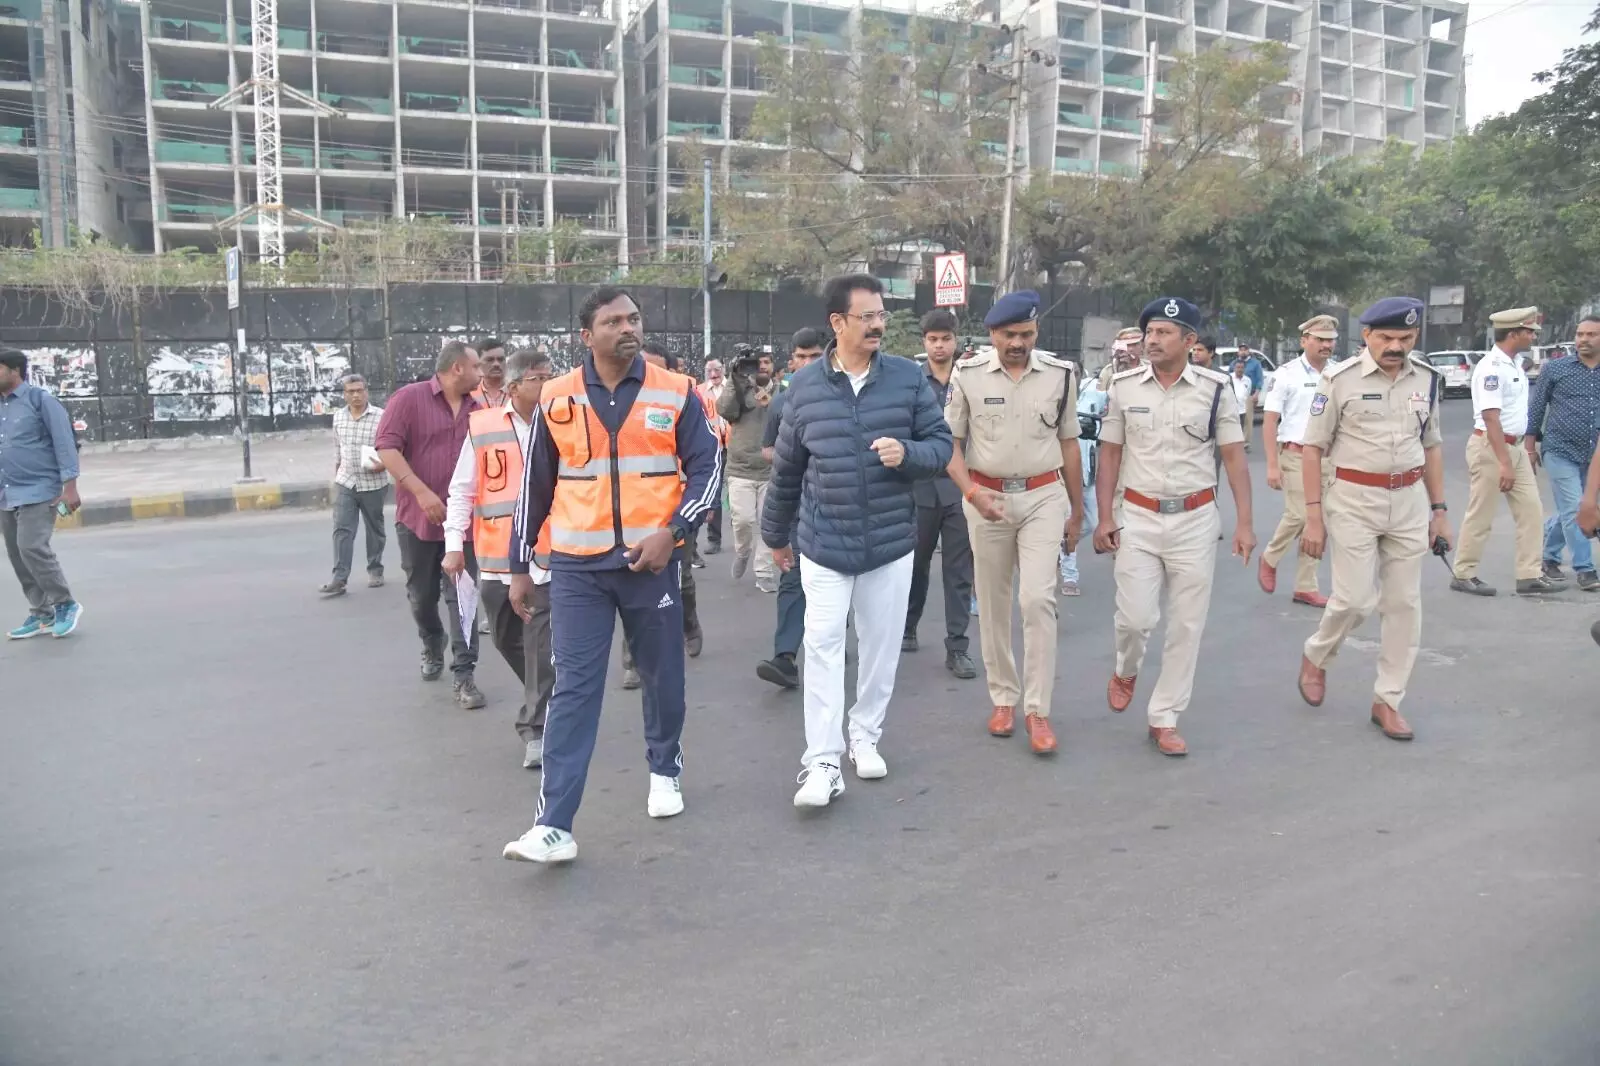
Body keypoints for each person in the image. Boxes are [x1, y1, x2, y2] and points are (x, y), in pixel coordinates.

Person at [501, 287, 721, 864]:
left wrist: (673, 532)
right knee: (573, 686)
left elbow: (707, 467)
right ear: (587, 335)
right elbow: (535, 487)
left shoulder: (677, 392)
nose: (629, 327)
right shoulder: (557, 396)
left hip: (650, 563)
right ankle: (554, 825)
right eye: (613, 321)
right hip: (577, 568)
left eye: (634, 318)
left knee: (660, 672)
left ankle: (663, 768)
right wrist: (519, 564)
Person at [763, 273, 953, 808]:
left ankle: (864, 735)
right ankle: (822, 762)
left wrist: (908, 454)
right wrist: (776, 535)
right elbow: (786, 472)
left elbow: (940, 445)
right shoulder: (801, 389)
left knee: (879, 646)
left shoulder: (906, 379)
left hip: (891, 541)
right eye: (866, 316)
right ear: (837, 323)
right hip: (823, 542)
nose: (877, 325)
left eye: (881, 315)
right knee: (823, 645)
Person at [1095, 298, 1253, 757]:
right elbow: (1109, 454)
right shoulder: (1124, 388)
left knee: (1187, 625)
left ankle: (1164, 716)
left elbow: (1233, 457)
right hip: (1138, 517)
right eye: (1150, 332)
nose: (1153, 340)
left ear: (1189, 341)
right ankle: (1127, 667)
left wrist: (1244, 523)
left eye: (1165, 332)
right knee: (1135, 619)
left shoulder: (1217, 388)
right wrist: (1105, 515)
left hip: (1195, 518)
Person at [1296, 297, 1453, 742]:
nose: (1395, 346)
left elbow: (1432, 445)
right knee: (1354, 600)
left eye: (1404, 339)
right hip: (1352, 499)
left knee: (1404, 605)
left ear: (1415, 338)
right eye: (1386, 337)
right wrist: (1312, 518)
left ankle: (1388, 700)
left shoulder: (1428, 379)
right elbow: (1312, 448)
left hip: (1408, 500)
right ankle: (1318, 654)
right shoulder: (1339, 380)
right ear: (1366, 336)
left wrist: (1439, 511)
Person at [944, 292, 1084, 754]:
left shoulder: (1062, 376)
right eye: (1009, 335)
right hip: (986, 497)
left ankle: (1037, 709)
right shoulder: (967, 374)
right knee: (994, 601)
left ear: (1036, 332)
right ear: (993, 335)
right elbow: (951, 445)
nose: (1017, 343)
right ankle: (1003, 698)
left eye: (1025, 334)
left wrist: (1077, 509)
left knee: (1038, 598)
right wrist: (971, 494)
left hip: (1045, 495)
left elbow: (1069, 444)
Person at [443, 349, 556, 770]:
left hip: (546, 556)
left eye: (550, 375)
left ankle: (536, 727)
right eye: (537, 378)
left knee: (541, 644)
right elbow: (462, 490)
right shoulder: (484, 427)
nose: (547, 384)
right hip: (494, 560)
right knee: (509, 640)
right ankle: (547, 694)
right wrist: (455, 543)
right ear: (513, 387)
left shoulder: (561, 422)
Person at [374, 340, 485, 707]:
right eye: (476, 367)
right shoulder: (409, 399)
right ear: (457, 368)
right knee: (422, 597)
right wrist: (422, 494)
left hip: (464, 523)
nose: (481, 374)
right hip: (416, 521)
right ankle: (431, 639)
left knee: (463, 598)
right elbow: (387, 448)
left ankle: (464, 676)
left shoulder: (479, 411)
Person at [1450, 307, 1563, 596]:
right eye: (1528, 331)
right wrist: (1504, 463)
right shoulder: (1492, 368)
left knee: (1531, 510)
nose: (1532, 336)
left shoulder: (1515, 364)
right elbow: (1490, 418)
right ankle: (1464, 573)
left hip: (1513, 447)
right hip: (1491, 446)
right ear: (1513, 333)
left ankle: (1529, 574)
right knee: (1482, 514)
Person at [618, 344, 706, 689]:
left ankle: (690, 622)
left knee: (680, 581)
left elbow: (703, 457)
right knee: (632, 580)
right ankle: (631, 659)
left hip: (679, 510)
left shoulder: (681, 399)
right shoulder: (618, 406)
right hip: (632, 512)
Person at [903, 309, 977, 679]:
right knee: (915, 565)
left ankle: (958, 646)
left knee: (958, 570)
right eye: (932, 339)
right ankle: (908, 626)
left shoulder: (972, 380)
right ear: (925, 343)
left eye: (945, 338)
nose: (939, 345)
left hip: (961, 489)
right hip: (921, 488)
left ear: (956, 341)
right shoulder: (913, 383)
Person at [756, 328, 826, 689]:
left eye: (816, 356)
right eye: (802, 356)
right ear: (793, 361)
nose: (809, 363)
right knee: (793, 577)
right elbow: (767, 449)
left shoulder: (844, 397)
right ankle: (784, 657)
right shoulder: (782, 404)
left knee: (834, 580)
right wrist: (790, 457)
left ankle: (831, 636)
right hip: (795, 505)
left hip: (835, 507)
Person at [0, 348, 83, 640]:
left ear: (14, 370)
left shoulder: (41, 401)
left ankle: (65, 604)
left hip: (40, 490)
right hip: (6, 492)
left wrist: (70, 487)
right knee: (17, 554)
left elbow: (64, 443)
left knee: (31, 547)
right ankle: (41, 612)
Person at [1258, 316, 1338, 608]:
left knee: (1319, 522)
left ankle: (1306, 585)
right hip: (1294, 454)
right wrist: (1271, 464)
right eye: (1320, 339)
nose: (1326, 345)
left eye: (1330, 340)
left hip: (1328, 457)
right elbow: (1269, 421)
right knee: (1301, 515)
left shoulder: (1339, 374)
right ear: (1304, 341)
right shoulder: (1286, 374)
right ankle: (1270, 556)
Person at [1529, 315, 1600, 591]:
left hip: (1594, 456)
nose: (1583, 339)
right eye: (1580, 334)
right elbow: (1537, 408)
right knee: (1573, 507)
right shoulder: (1556, 369)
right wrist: (1529, 446)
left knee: (1582, 506)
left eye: (1591, 334)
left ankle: (1548, 555)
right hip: (1560, 450)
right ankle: (1585, 569)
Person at [320, 374, 388, 598]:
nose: (356, 395)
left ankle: (375, 569)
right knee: (342, 529)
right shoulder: (339, 417)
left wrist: (384, 463)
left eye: (360, 390)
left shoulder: (381, 416)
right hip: (346, 481)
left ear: (367, 391)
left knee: (374, 529)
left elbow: (393, 447)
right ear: (345, 394)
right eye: (351, 391)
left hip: (373, 483)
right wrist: (336, 475)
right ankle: (339, 578)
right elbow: (337, 449)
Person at [718, 343, 779, 593]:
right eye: (757, 363)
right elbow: (724, 410)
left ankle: (764, 572)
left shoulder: (782, 393)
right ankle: (743, 552)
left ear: (774, 367)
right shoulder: (740, 390)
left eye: (766, 362)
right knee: (742, 520)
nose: (761, 367)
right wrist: (735, 378)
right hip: (740, 469)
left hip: (771, 469)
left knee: (767, 523)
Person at [1058, 371, 1106, 596]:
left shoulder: (1093, 393)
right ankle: (1070, 575)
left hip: (1088, 470)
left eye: (1075, 374)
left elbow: (1114, 401)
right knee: (1070, 520)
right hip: (1063, 472)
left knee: (1093, 521)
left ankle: (1059, 545)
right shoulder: (1055, 398)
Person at [697, 359, 726, 556]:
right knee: (713, 494)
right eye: (709, 370)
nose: (713, 374)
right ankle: (713, 539)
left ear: (724, 369)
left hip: (735, 447)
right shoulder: (698, 391)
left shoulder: (735, 387)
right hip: (713, 447)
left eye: (717, 369)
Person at [471, 338, 511, 408]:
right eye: (490, 360)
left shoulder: (517, 391)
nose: (496, 364)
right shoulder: (469, 393)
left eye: (501, 359)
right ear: (478, 363)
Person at [1229, 359, 1253, 447]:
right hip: (1231, 409)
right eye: (1238, 367)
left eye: (1242, 367)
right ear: (1234, 368)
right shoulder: (1229, 378)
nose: (1240, 369)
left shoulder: (1247, 380)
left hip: (1242, 409)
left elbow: (1247, 393)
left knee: (1241, 428)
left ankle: (1239, 446)